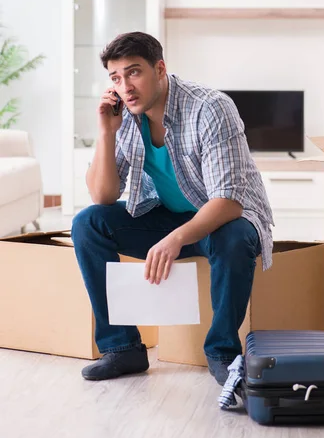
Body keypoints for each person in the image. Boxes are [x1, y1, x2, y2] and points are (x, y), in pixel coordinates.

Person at [72, 32, 274, 386]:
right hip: (165, 215)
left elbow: (227, 200)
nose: (125, 86)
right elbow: (103, 196)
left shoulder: (211, 108)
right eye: (116, 78)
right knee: (88, 223)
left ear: (160, 68)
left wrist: (176, 239)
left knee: (235, 236)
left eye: (134, 73)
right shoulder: (126, 116)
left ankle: (223, 353)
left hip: (222, 219)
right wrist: (106, 132)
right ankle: (122, 349)